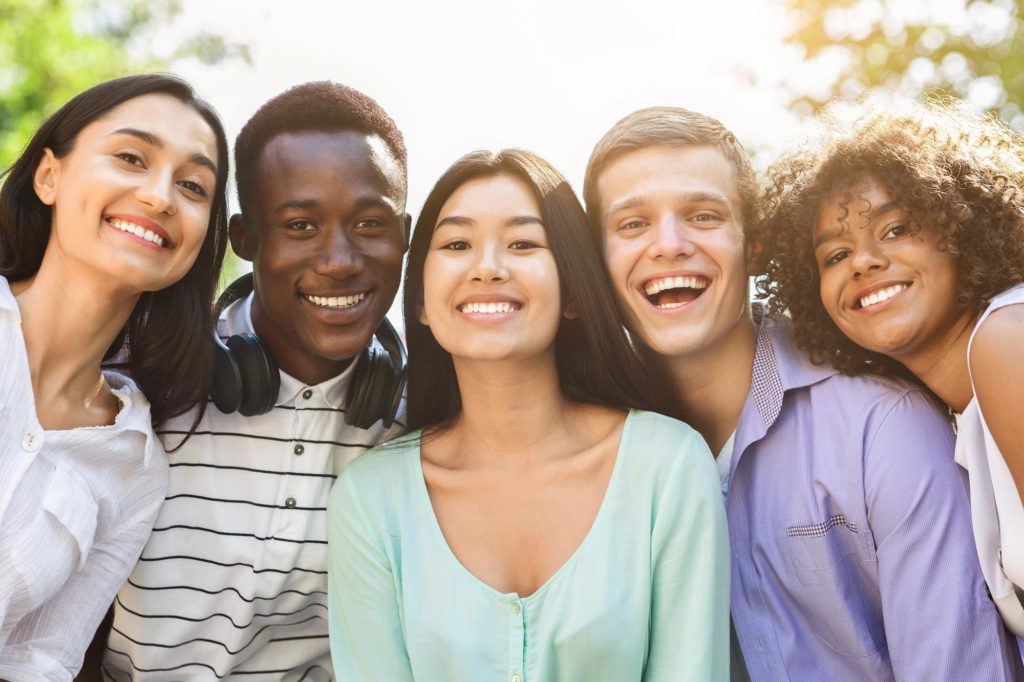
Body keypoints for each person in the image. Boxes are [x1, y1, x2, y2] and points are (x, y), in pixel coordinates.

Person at [583, 105, 1023, 679]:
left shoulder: (899, 412)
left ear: (755, 245)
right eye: (633, 223)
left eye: (703, 215)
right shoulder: (589, 449)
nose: (668, 244)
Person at [327, 149, 730, 681]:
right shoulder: (370, 498)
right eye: (456, 244)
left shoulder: (668, 466)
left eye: (523, 243)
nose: (488, 267)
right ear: (421, 300)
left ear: (572, 293)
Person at [101, 82, 410, 681]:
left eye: (371, 223)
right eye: (300, 225)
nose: (339, 259)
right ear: (245, 239)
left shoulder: (424, 419)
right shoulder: (133, 378)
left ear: (405, 234)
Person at [758, 97, 1024, 640]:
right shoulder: (950, 410)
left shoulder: (1005, 341)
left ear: (962, 224)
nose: (863, 261)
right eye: (834, 256)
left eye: (896, 228)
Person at [0, 73, 229, 679]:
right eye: (131, 157)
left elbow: (41, 658)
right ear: (49, 176)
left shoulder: (136, 469)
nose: (160, 197)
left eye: (193, 185)